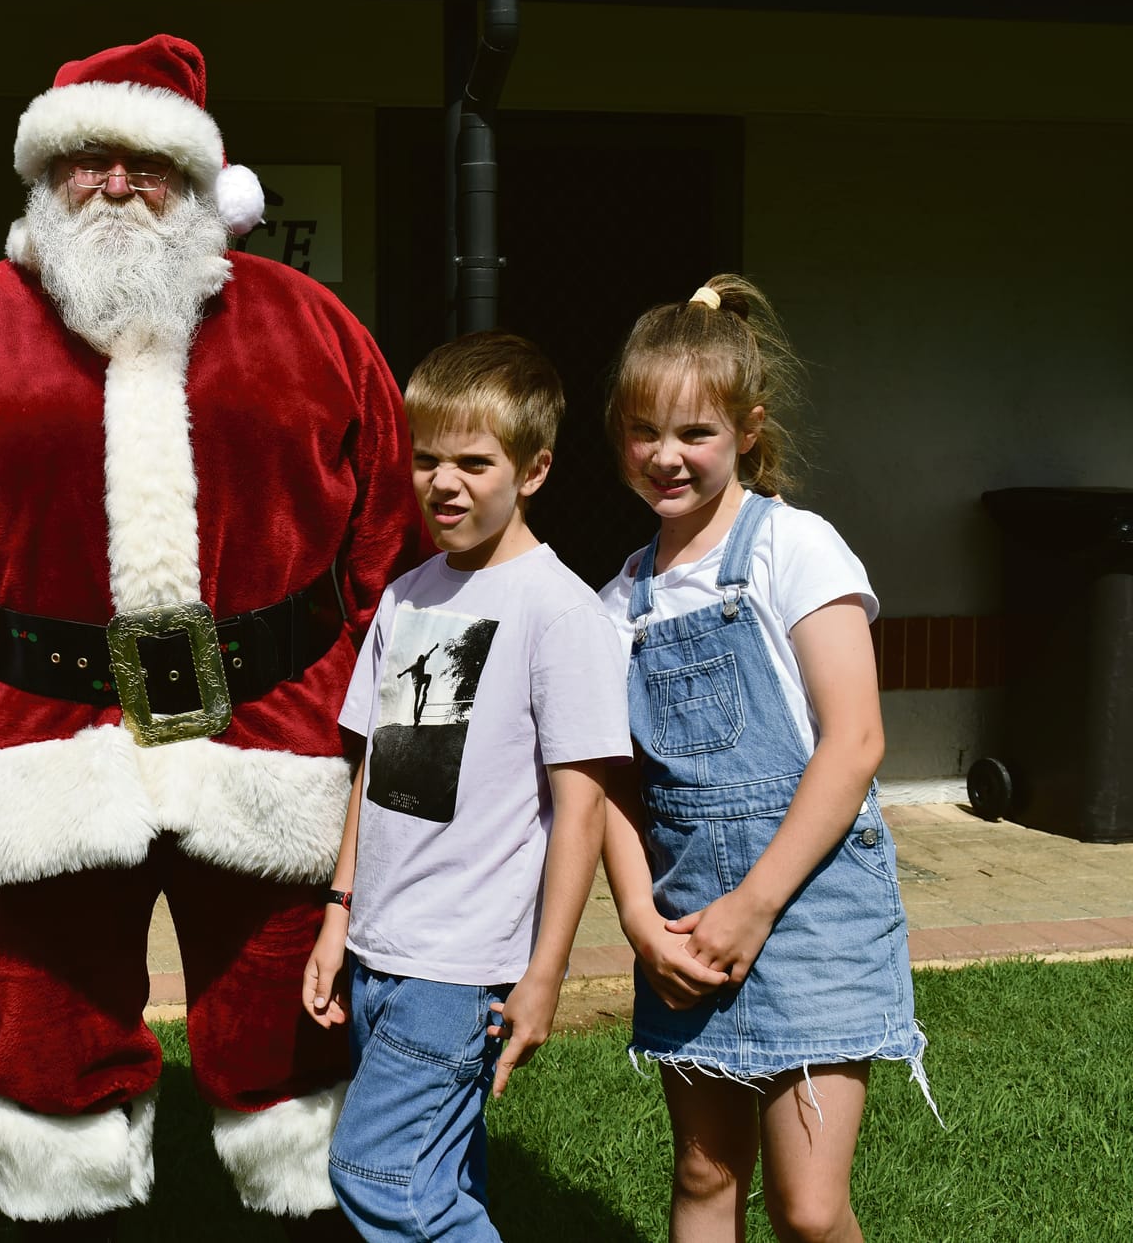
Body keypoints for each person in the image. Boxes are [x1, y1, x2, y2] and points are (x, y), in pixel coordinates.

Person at [0, 35, 425, 1239]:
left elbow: (390, 546)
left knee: (292, 1025)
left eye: (144, 162)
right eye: (85, 160)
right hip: (36, 749)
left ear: (198, 178)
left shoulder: (311, 328)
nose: (113, 184)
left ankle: (308, 1218)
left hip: (276, 744)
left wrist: (381, 745)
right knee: (44, 1038)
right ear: (42, 177)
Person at [595, 277, 936, 1243]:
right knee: (705, 1175)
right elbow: (613, 786)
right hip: (687, 920)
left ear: (747, 430)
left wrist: (757, 903)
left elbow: (856, 740)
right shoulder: (620, 599)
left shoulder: (797, 547)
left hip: (811, 910)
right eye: (644, 432)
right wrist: (638, 917)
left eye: (695, 433)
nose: (667, 457)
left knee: (810, 1206)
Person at [302, 333, 629, 1241]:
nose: (444, 483)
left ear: (534, 470)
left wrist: (545, 973)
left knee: (380, 1174)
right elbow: (376, 770)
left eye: (474, 462)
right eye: (427, 459)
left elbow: (582, 811)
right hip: (378, 953)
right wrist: (339, 915)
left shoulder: (560, 612)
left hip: (461, 968)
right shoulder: (407, 596)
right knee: (445, 1180)